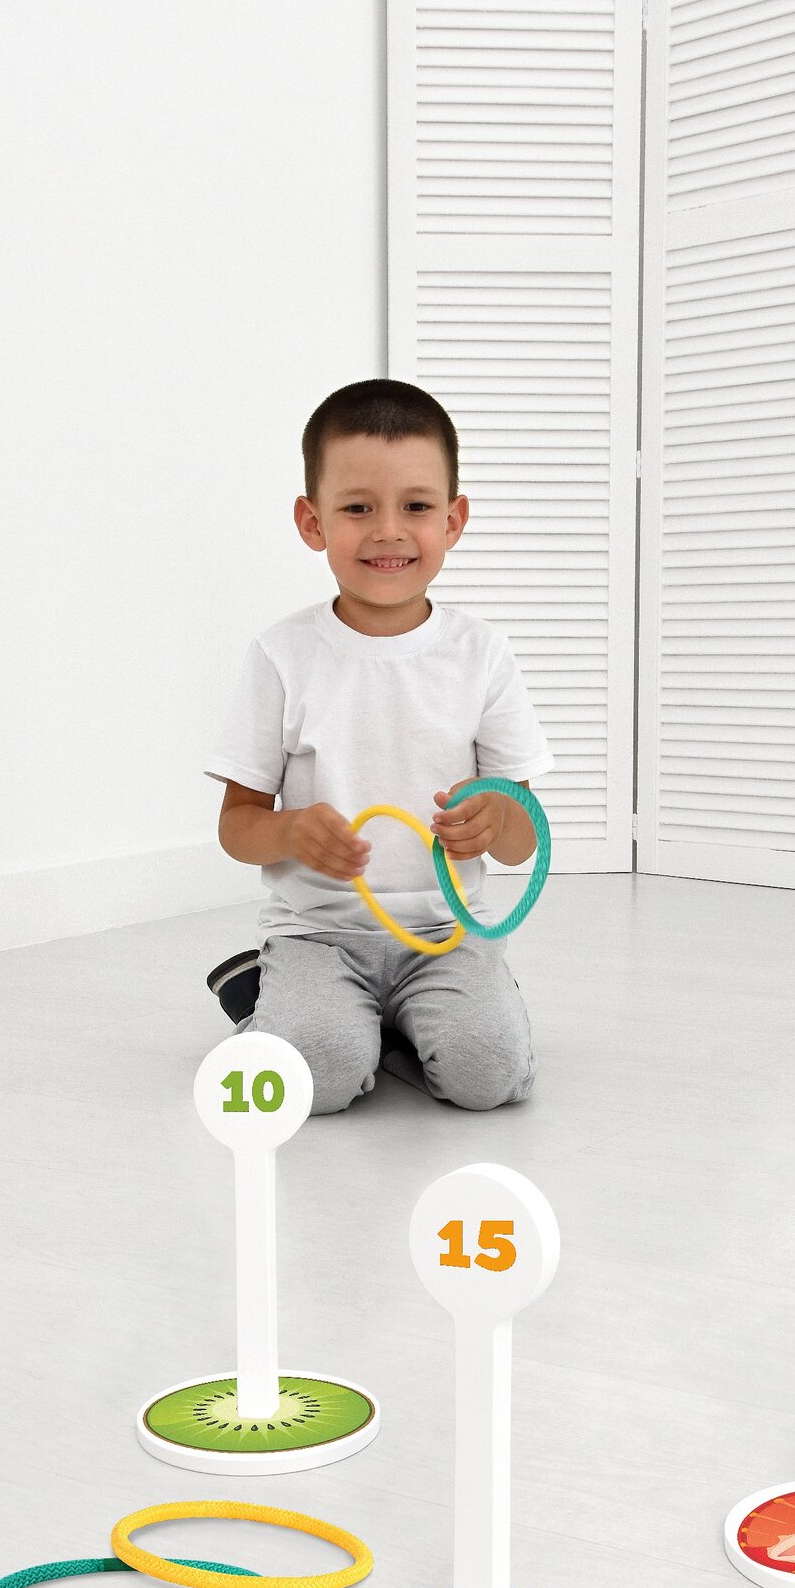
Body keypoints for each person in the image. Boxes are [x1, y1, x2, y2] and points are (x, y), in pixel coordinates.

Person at [203, 377, 554, 1115]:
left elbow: (523, 840)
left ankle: (410, 1019)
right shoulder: (281, 656)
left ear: (453, 521)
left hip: (448, 935)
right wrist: (290, 832)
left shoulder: (482, 655)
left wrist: (496, 820)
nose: (388, 531)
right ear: (313, 522)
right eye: (358, 508)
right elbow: (237, 827)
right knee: (317, 1083)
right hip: (318, 935)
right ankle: (266, 994)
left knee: (489, 1079)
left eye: (416, 507)